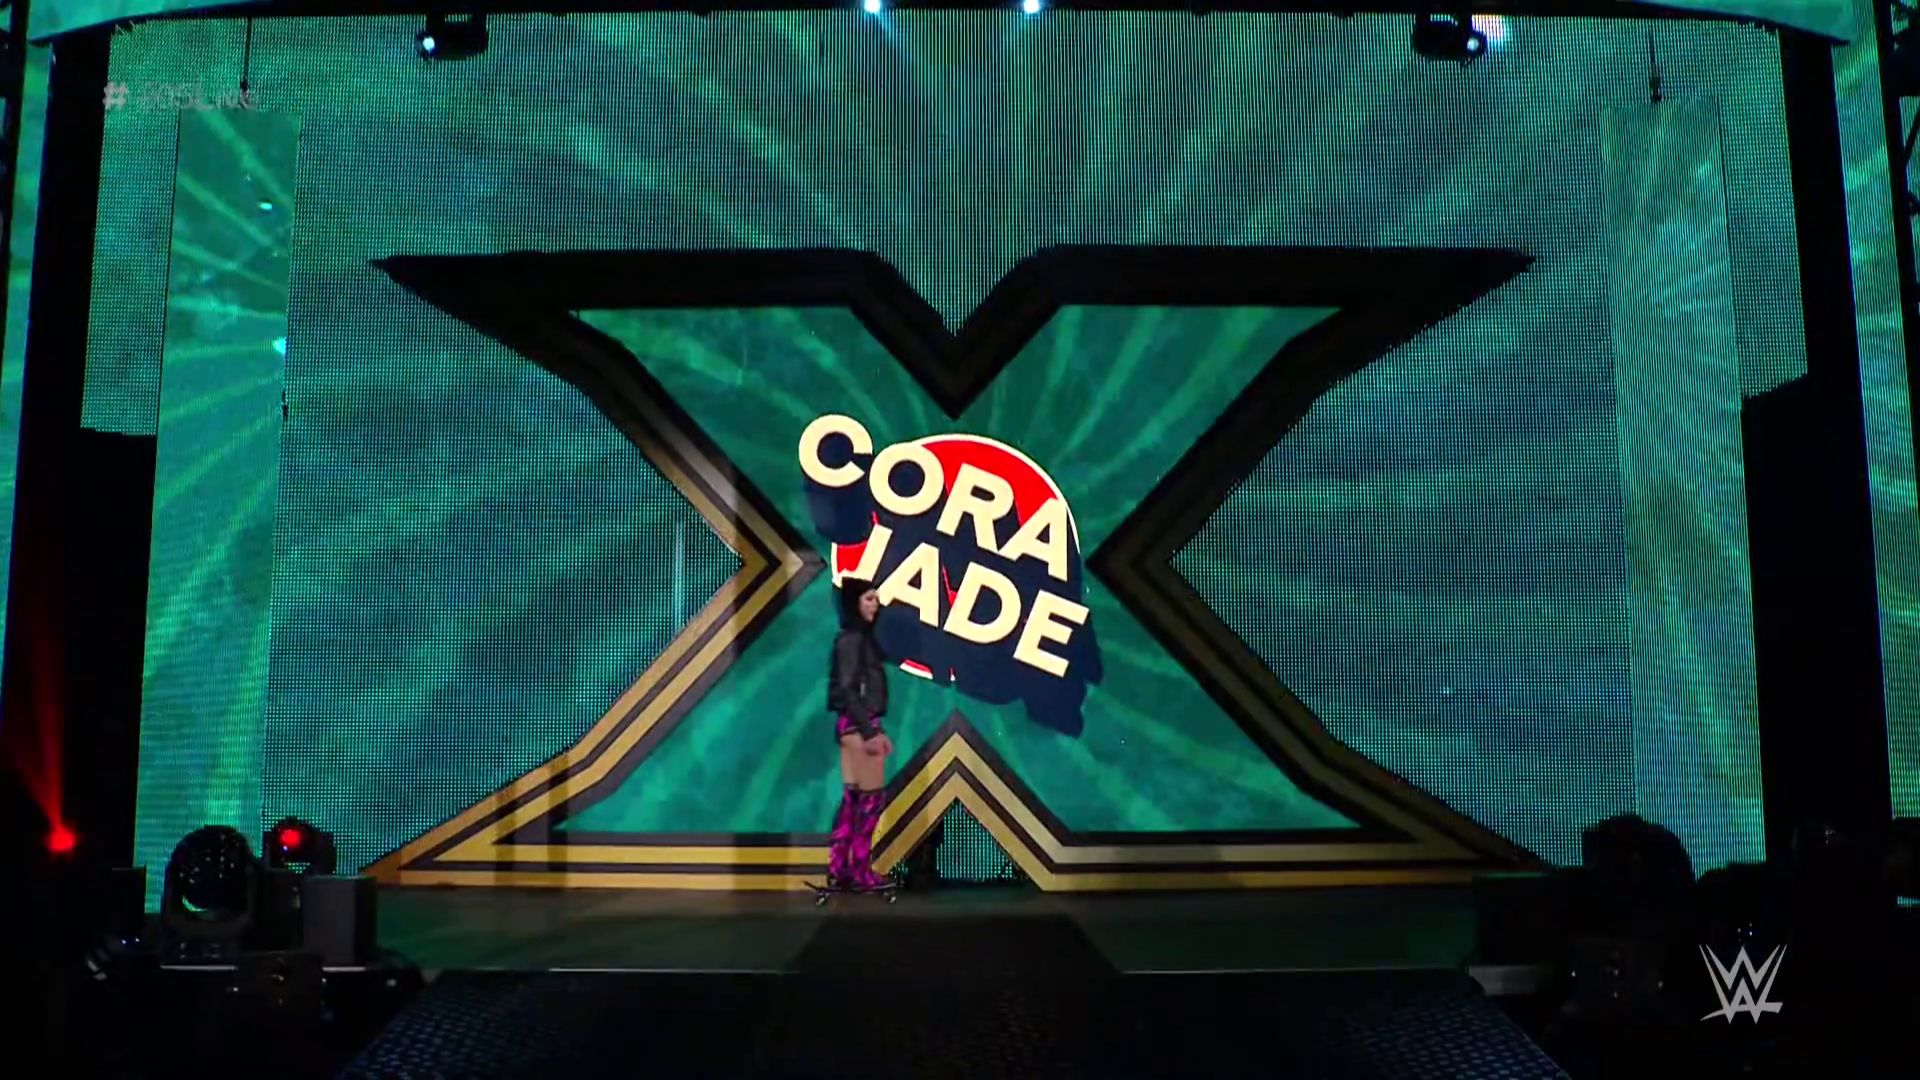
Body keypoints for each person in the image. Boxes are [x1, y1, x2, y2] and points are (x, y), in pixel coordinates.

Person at [826, 579, 894, 891]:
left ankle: (840, 868)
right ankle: (860, 870)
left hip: (853, 725)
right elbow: (847, 689)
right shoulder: (853, 640)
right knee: (870, 801)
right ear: (854, 602)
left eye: (876, 599)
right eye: (868, 599)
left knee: (854, 800)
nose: (875, 605)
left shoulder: (855, 638)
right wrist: (870, 732)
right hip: (859, 725)